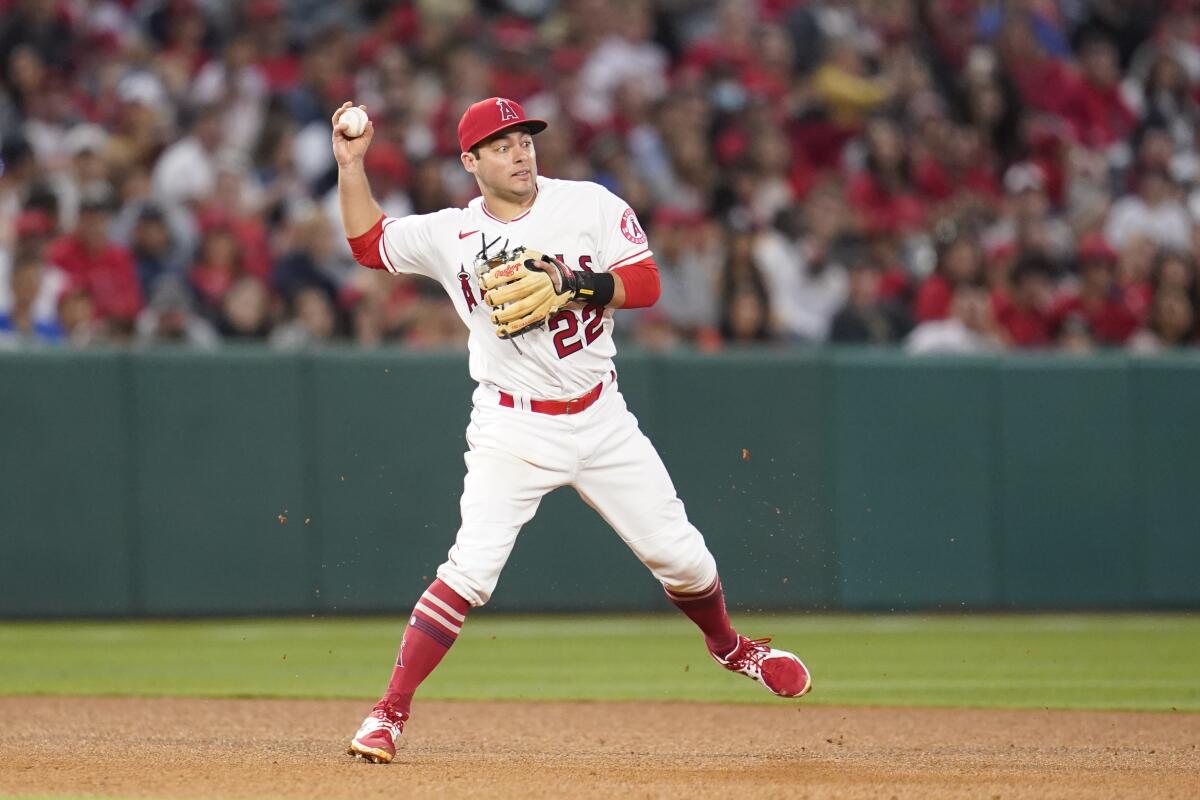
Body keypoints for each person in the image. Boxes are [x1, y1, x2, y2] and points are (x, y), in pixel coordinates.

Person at [333, 96, 812, 764]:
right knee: (470, 569)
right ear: (469, 161)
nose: (520, 151)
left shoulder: (587, 205)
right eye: (501, 145)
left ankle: (732, 647)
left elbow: (645, 284)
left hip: (599, 416)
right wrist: (350, 166)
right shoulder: (451, 233)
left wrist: (573, 283)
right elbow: (368, 244)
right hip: (512, 424)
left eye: (524, 139)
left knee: (684, 559)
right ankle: (389, 712)